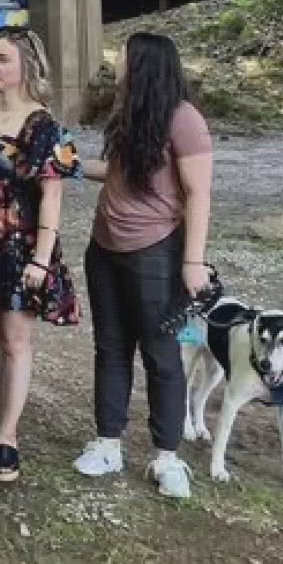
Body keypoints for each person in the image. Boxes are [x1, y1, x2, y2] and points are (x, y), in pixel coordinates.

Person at [69, 32, 214, 500]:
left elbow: (199, 194)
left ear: (147, 65)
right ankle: (108, 443)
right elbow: (114, 175)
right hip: (104, 250)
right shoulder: (128, 115)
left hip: (156, 251)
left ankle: (167, 456)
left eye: (125, 59)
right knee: (110, 347)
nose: (119, 66)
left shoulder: (185, 120)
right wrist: (68, 165)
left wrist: (193, 262)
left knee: (161, 353)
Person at [0, 26, 81, 483]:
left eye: (3, 59)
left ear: (27, 65)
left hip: (20, 243)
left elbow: (52, 195)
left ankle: (7, 436)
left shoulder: (45, 125)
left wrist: (41, 258)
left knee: (14, 341)